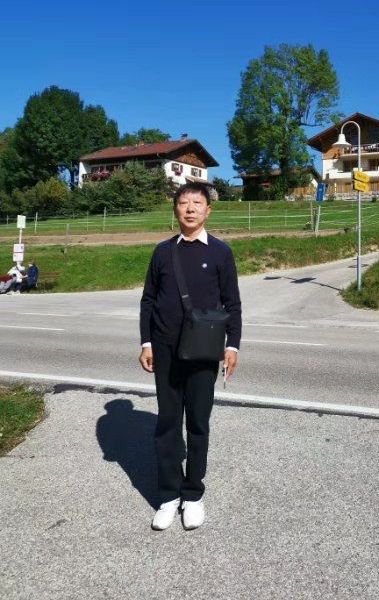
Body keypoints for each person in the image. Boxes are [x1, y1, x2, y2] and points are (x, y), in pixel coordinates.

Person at [139, 182, 242, 531]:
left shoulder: (221, 253)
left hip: (203, 351)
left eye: (197, 202)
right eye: (183, 202)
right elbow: (148, 301)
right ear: (176, 210)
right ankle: (169, 496)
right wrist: (146, 343)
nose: (190, 208)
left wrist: (232, 346)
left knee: (198, 423)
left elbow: (232, 303)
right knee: (168, 423)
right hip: (165, 350)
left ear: (208, 210)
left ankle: (193, 494)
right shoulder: (162, 252)